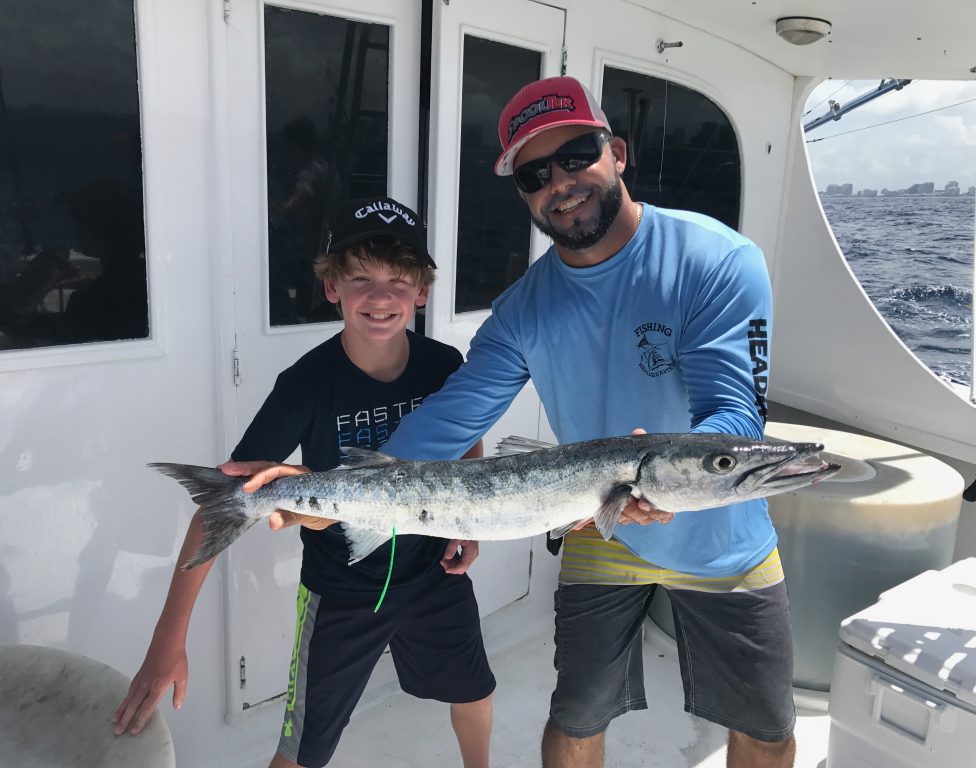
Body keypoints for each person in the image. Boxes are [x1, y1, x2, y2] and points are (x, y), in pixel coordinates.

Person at [375, 77, 794, 768]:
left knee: (767, 731)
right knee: (574, 718)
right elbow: (452, 420)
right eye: (535, 174)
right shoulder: (521, 309)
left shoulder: (716, 260)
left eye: (576, 155)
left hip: (724, 532)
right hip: (601, 519)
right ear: (524, 194)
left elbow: (734, 415)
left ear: (617, 151)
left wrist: (668, 478)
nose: (560, 183)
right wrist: (343, 487)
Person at [112, 196, 496, 768]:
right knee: (301, 751)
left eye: (398, 281)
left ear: (422, 292)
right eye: (361, 278)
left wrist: (467, 525)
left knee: (477, 693)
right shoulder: (305, 385)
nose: (381, 297)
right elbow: (224, 502)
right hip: (341, 593)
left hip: (433, 576)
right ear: (332, 288)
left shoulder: (443, 364)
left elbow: (466, 437)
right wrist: (168, 639)